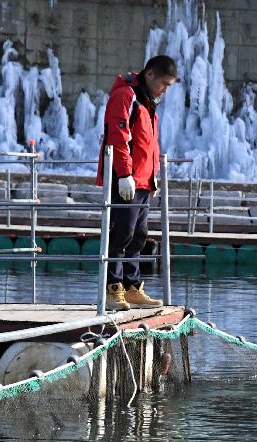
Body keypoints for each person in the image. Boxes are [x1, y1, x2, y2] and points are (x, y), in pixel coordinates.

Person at [96, 55, 179, 310]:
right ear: (150, 74)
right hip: (127, 179)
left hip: (143, 181)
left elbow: (149, 144)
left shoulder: (147, 101)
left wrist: (152, 178)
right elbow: (119, 137)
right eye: (163, 83)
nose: (164, 89)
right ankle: (113, 289)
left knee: (138, 235)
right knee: (122, 234)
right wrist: (123, 175)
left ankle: (132, 287)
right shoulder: (126, 96)